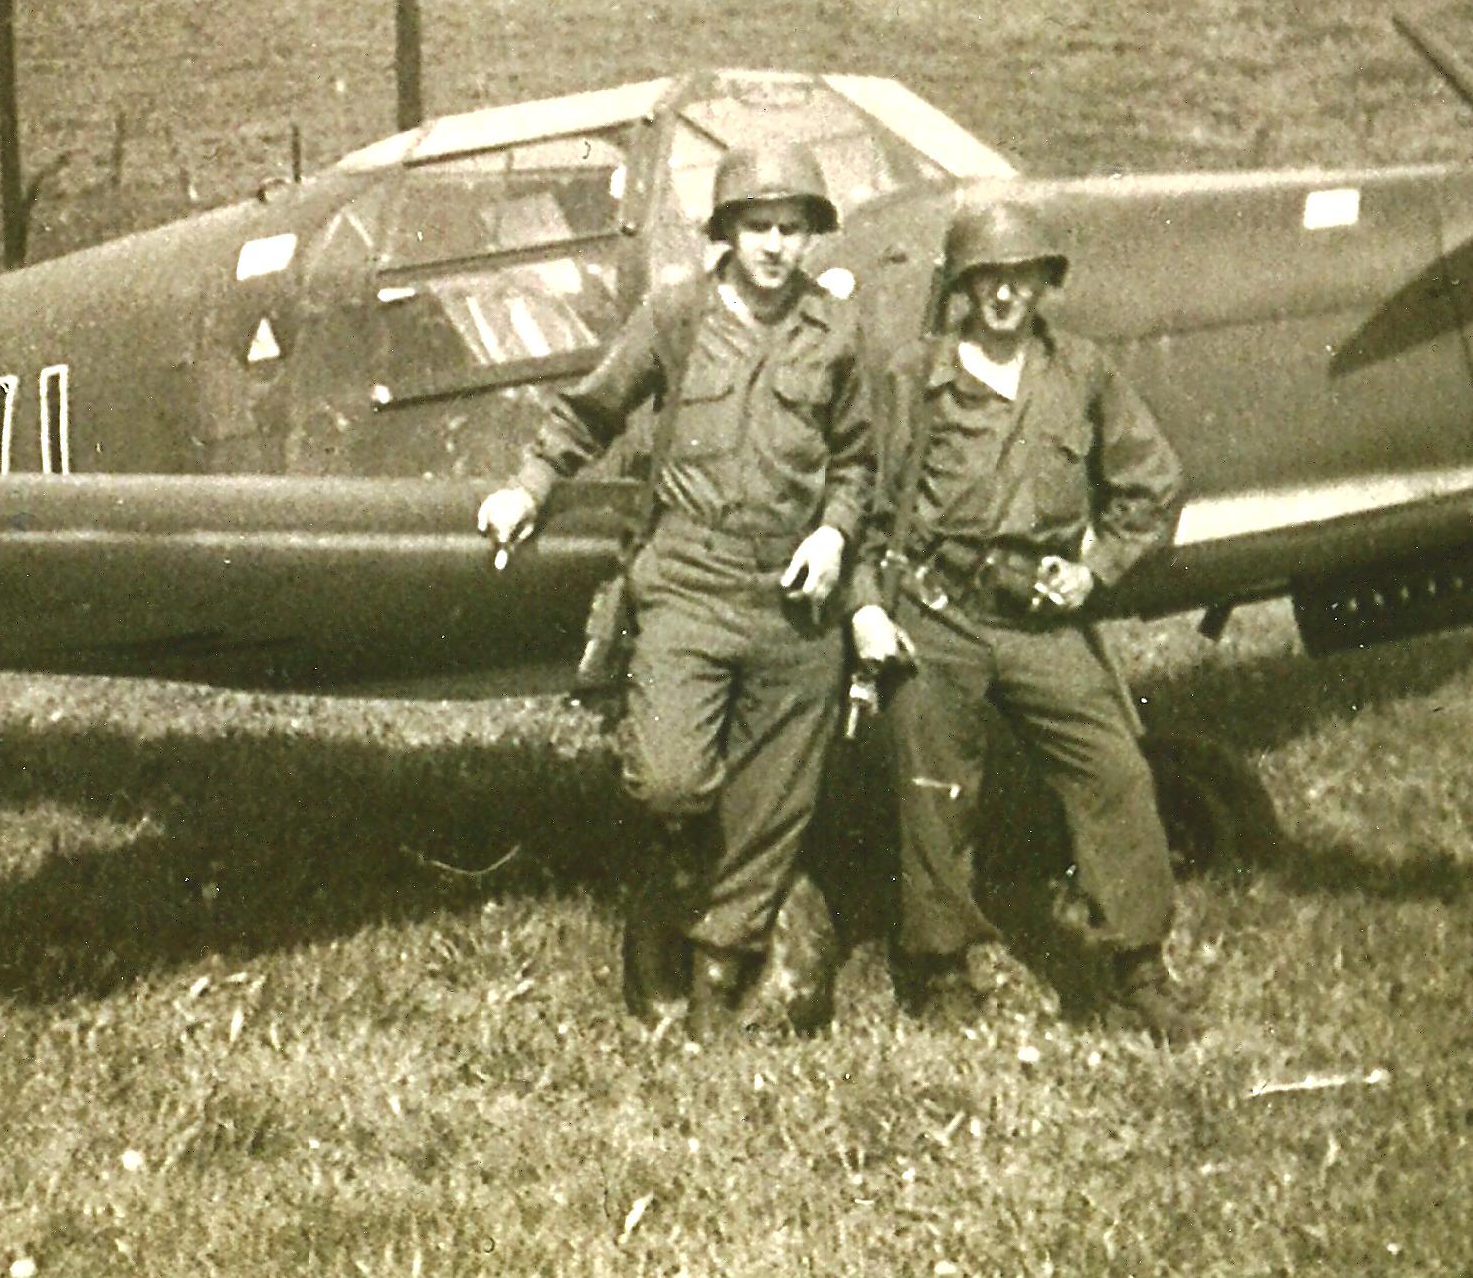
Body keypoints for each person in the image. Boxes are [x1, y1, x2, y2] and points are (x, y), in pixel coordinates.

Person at [477, 142, 873, 1038]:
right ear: (727, 231)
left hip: (792, 597)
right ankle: (682, 884)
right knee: (669, 781)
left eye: (791, 227)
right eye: (757, 225)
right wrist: (529, 487)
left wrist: (834, 533)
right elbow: (590, 411)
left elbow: (857, 461)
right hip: (689, 578)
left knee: (773, 803)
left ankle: (714, 980)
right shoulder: (676, 315)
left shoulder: (835, 330)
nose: (774, 245)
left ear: (810, 234)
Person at [846, 202, 1196, 1044]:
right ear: (962, 288)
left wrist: (1095, 570)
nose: (1004, 296)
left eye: (1021, 277)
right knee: (936, 791)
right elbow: (862, 502)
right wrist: (865, 605)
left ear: (1044, 283)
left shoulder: (1082, 373)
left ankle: (1136, 967)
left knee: (1115, 771)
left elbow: (1154, 483)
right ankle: (939, 966)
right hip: (938, 613)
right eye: (987, 279)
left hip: (1038, 620)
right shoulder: (912, 376)